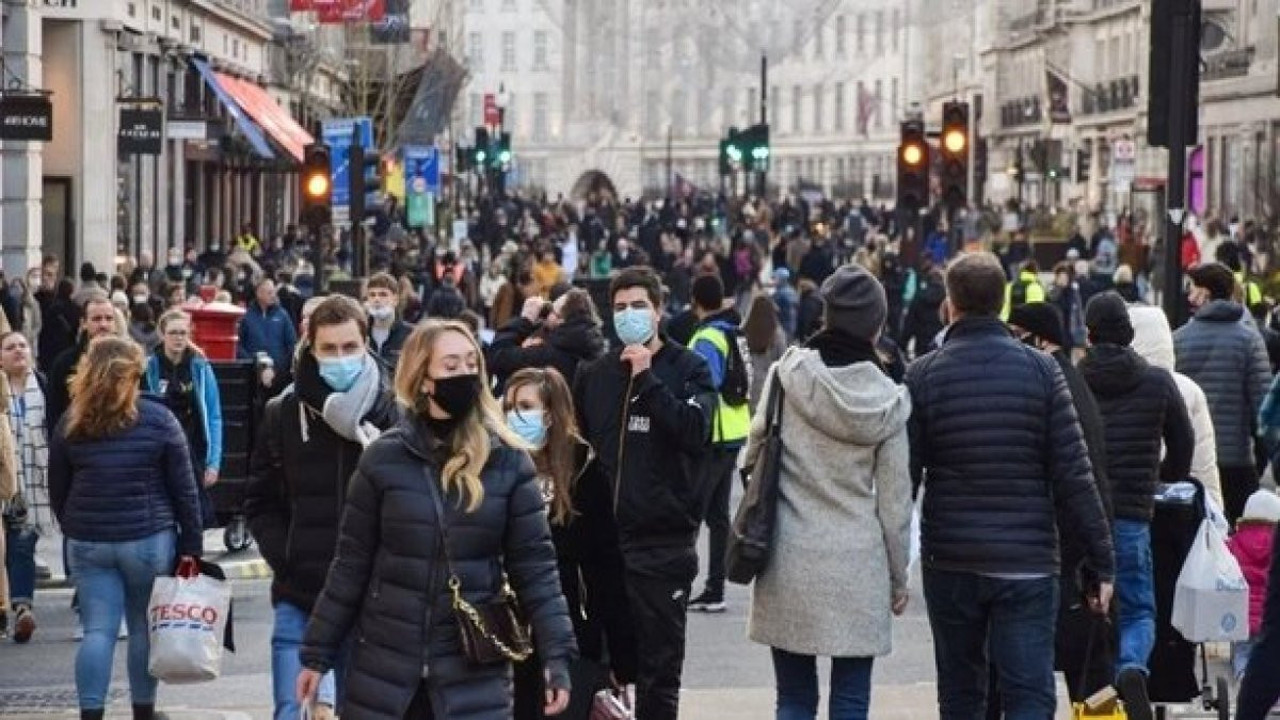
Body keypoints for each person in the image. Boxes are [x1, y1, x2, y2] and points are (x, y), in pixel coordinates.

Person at [296, 320, 576, 720]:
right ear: (423, 378)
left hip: (472, 669)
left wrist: (557, 654)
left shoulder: (508, 462)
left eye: (470, 363)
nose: (464, 374)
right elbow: (350, 565)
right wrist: (317, 653)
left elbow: (537, 569)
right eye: (450, 366)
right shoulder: (383, 459)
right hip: (385, 671)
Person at [905, 252, 1114, 719]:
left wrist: (894, 561)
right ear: (1002, 304)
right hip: (1028, 559)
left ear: (950, 305)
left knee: (961, 691)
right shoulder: (1044, 373)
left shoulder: (923, 375)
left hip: (952, 556)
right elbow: (1075, 474)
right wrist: (1103, 561)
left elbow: (905, 479)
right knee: (1028, 692)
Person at [746, 264, 913, 720]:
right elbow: (896, 504)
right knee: (851, 700)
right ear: (877, 325)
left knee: (794, 698)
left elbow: (751, 457)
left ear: (826, 316)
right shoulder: (890, 401)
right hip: (858, 563)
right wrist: (899, 578)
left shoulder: (787, 376)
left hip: (789, 555)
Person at [572, 267, 716, 720]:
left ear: (657, 310)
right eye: (619, 308)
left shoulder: (687, 368)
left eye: (638, 306)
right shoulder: (594, 374)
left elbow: (696, 432)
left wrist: (649, 381)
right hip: (603, 546)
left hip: (663, 544)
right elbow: (577, 449)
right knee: (598, 669)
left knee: (658, 673)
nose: (629, 315)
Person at [245, 295, 397, 720]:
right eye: (328, 349)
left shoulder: (393, 415)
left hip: (373, 597)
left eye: (349, 348)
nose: (340, 358)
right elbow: (259, 502)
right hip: (302, 591)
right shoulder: (283, 414)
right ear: (310, 348)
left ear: (366, 344)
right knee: (289, 710)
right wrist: (288, 555)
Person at [48, 337, 202, 720]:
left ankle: (91, 713)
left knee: (97, 631)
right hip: (148, 537)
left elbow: (58, 486)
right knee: (141, 628)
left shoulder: (72, 421)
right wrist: (192, 546)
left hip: (88, 538)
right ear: (135, 373)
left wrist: (75, 524)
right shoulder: (159, 418)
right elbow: (185, 490)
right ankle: (143, 711)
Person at [1078, 292, 1194, 720]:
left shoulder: (1074, 379)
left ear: (1088, 333)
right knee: (1140, 606)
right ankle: (1131, 667)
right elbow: (1183, 443)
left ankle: (1096, 696)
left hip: (1082, 514)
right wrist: (1164, 476)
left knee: (1088, 607)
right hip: (1132, 512)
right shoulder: (1157, 382)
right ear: (1128, 333)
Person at [504, 367, 635, 720]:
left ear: (551, 413)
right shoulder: (496, 469)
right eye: (509, 406)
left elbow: (607, 567)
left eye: (526, 406)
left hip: (571, 634)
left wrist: (621, 656)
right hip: (505, 634)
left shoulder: (584, 471)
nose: (515, 415)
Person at [1006, 302, 1114, 702]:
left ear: (1042, 340)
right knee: (1087, 671)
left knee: (1060, 669)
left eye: (1017, 335)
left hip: (1064, 547)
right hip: (1080, 541)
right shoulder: (1071, 380)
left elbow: (1076, 475)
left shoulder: (1053, 383)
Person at [1174, 262, 1272, 524]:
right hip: (1237, 460)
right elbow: (1263, 408)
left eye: (1192, 289)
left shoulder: (1179, 340)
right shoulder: (1250, 340)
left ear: (1205, 294)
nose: (1189, 295)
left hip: (1192, 461)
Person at [686, 274, 750, 614]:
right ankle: (715, 586)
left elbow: (705, 383)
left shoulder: (707, 336)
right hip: (734, 428)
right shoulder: (732, 330)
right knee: (718, 515)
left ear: (695, 300)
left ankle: (688, 582)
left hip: (714, 432)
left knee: (693, 509)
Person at [1128, 303, 1224, 510]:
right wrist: (1215, 510)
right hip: (1177, 507)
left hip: (1130, 503)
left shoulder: (1123, 385)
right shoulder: (1189, 390)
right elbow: (1203, 464)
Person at [143, 310, 223, 530]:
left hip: (193, 450)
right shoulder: (148, 368)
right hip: (160, 451)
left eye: (183, 333)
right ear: (162, 335)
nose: (178, 338)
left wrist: (214, 462)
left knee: (194, 517)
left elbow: (214, 415)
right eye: (173, 332)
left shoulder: (201, 368)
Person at [1, 331, 51, 644]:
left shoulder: (43, 385)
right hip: (3, 477)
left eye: (22, 345)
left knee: (22, 545)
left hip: (34, 481)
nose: (18, 351)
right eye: (10, 347)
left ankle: (22, 609)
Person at [488, 289, 606, 391]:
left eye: (552, 311)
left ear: (561, 320)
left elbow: (498, 355)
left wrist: (525, 320)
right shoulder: (589, 349)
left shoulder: (552, 357)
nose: (547, 315)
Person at [1227, 489, 1279, 682]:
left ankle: (1244, 679)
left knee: (1242, 653)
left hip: (1240, 617)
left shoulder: (1233, 543)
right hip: (1270, 617)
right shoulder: (1277, 544)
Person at [47, 291, 119, 426]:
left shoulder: (128, 361)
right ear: (84, 323)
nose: (103, 325)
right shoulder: (64, 363)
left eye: (109, 318)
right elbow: (54, 411)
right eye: (97, 319)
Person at [238, 278, 298, 397]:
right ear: (259, 293)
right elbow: (239, 345)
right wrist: (255, 365)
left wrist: (277, 370)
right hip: (252, 375)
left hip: (279, 376)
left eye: (274, 292)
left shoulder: (282, 315)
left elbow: (292, 344)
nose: (273, 296)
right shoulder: (246, 316)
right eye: (269, 292)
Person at [742, 294, 788, 414]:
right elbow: (783, 365)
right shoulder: (777, 335)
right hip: (768, 390)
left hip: (746, 388)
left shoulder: (743, 333)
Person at [363, 272, 414, 372]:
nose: (376, 299)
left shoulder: (411, 334)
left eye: (383, 295)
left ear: (395, 300)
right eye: (372, 295)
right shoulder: (361, 332)